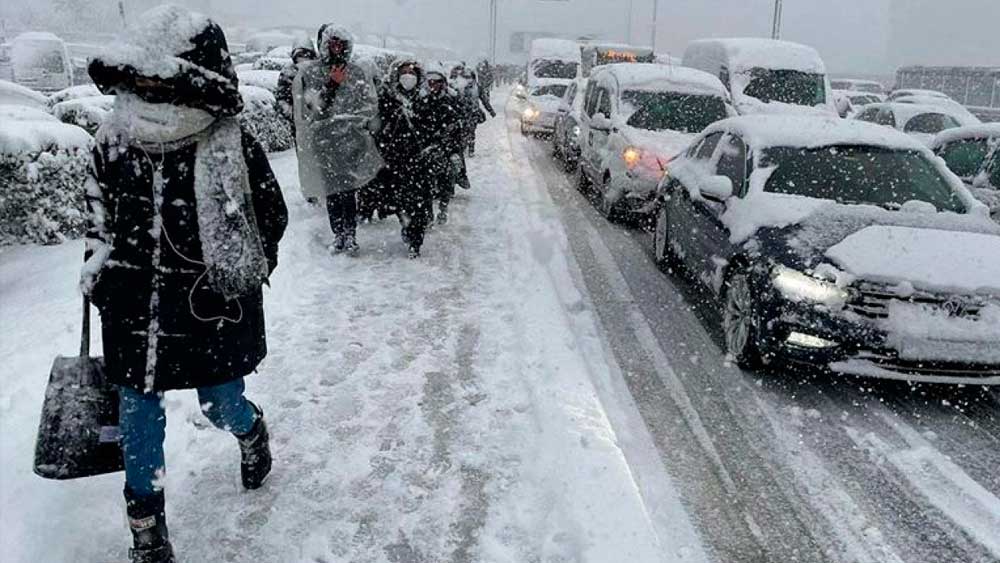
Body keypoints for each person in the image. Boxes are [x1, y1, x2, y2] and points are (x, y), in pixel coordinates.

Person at [83, 6, 288, 562]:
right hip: (132, 306)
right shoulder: (112, 140)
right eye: (141, 79)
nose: (149, 90)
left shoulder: (229, 143)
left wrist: (236, 268)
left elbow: (270, 216)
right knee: (137, 416)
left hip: (207, 306)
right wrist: (99, 268)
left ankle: (250, 432)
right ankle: (146, 527)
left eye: (162, 79)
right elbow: (98, 216)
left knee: (220, 403)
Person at [293, 24, 383, 255]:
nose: (337, 48)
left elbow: (368, 105)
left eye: (341, 44)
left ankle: (350, 234)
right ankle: (338, 234)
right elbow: (313, 109)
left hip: (351, 141)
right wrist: (332, 85)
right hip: (324, 141)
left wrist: (359, 126)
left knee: (348, 189)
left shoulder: (357, 72)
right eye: (332, 43)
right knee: (331, 190)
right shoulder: (311, 72)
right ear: (324, 45)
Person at [375, 58, 434, 257]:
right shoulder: (387, 98)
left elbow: (431, 128)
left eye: (412, 72)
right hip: (394, 160)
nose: (408, 76)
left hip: (418, 160)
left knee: (418, 203)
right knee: (400, 201)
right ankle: (406, 225)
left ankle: (415, 240)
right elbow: (379, 127)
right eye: (404, 72)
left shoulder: (425, 100)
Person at [417, 64, 464, 225]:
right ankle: (428, 214)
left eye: (436, 81)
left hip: (446, 148)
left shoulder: (451, 100)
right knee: (425, 184)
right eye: (429, 82)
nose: (433, 85)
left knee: (446, 181)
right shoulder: (421, 101)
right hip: (427, 148)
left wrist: (451, 147)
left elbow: (458, 125)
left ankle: (443, 209)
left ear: (442, 82)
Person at [451, 63, 496, 157]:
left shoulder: (477, 88)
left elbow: (484, 100)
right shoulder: (459, 88)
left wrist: (491, 111)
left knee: (471, 131)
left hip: (473, 113)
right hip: (462, 113)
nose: (469, 80)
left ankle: (471, 149)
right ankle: (463, 147)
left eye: (470, 77)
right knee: (462, 131)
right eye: (466, 78)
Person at [275, 37, 317, 135]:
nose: (303, 60)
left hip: (317, 121)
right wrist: (294, 115)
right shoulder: (288, 73)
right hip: (299, 124)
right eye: (300, 57)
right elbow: (282, 98)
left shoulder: (317, 72)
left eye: (306, 56)